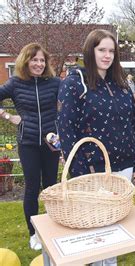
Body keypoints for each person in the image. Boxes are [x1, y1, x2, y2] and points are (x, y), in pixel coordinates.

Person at [57, 29, 135, 266]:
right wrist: (81, 172)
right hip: (93, 170)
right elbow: (66, 130)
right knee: (98, 233)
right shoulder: (75, 83)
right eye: (101, 50)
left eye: (111, 51)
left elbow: (132, 125)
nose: (107, 55)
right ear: (90, 50)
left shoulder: (122, 85)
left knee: (115, 229)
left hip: (125, 167)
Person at [0, 43, 60, 251]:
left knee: (51, 186)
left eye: (42, 60)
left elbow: (70, 101)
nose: (39, 64)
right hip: (28, 144)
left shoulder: (54, 83)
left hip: (51, 143)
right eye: (34, 59)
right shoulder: (15, 83)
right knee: (32, 187)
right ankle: (33, 233)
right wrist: (8, 116)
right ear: (26, 61)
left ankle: (54, 227)